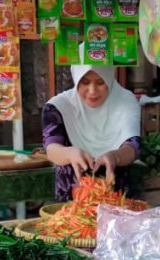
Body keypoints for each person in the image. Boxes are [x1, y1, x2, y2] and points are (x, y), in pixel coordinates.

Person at [42, 51, 141, 202]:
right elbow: (52, 149)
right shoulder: (58, 107)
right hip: (72, 198)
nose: (93, 91)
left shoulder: (125, 101)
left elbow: (134, 146)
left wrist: (115, 156)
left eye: (101, 82)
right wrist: (70, 153)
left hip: (117, 195)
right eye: (85, 82)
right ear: (76, 79)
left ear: (109, 78)